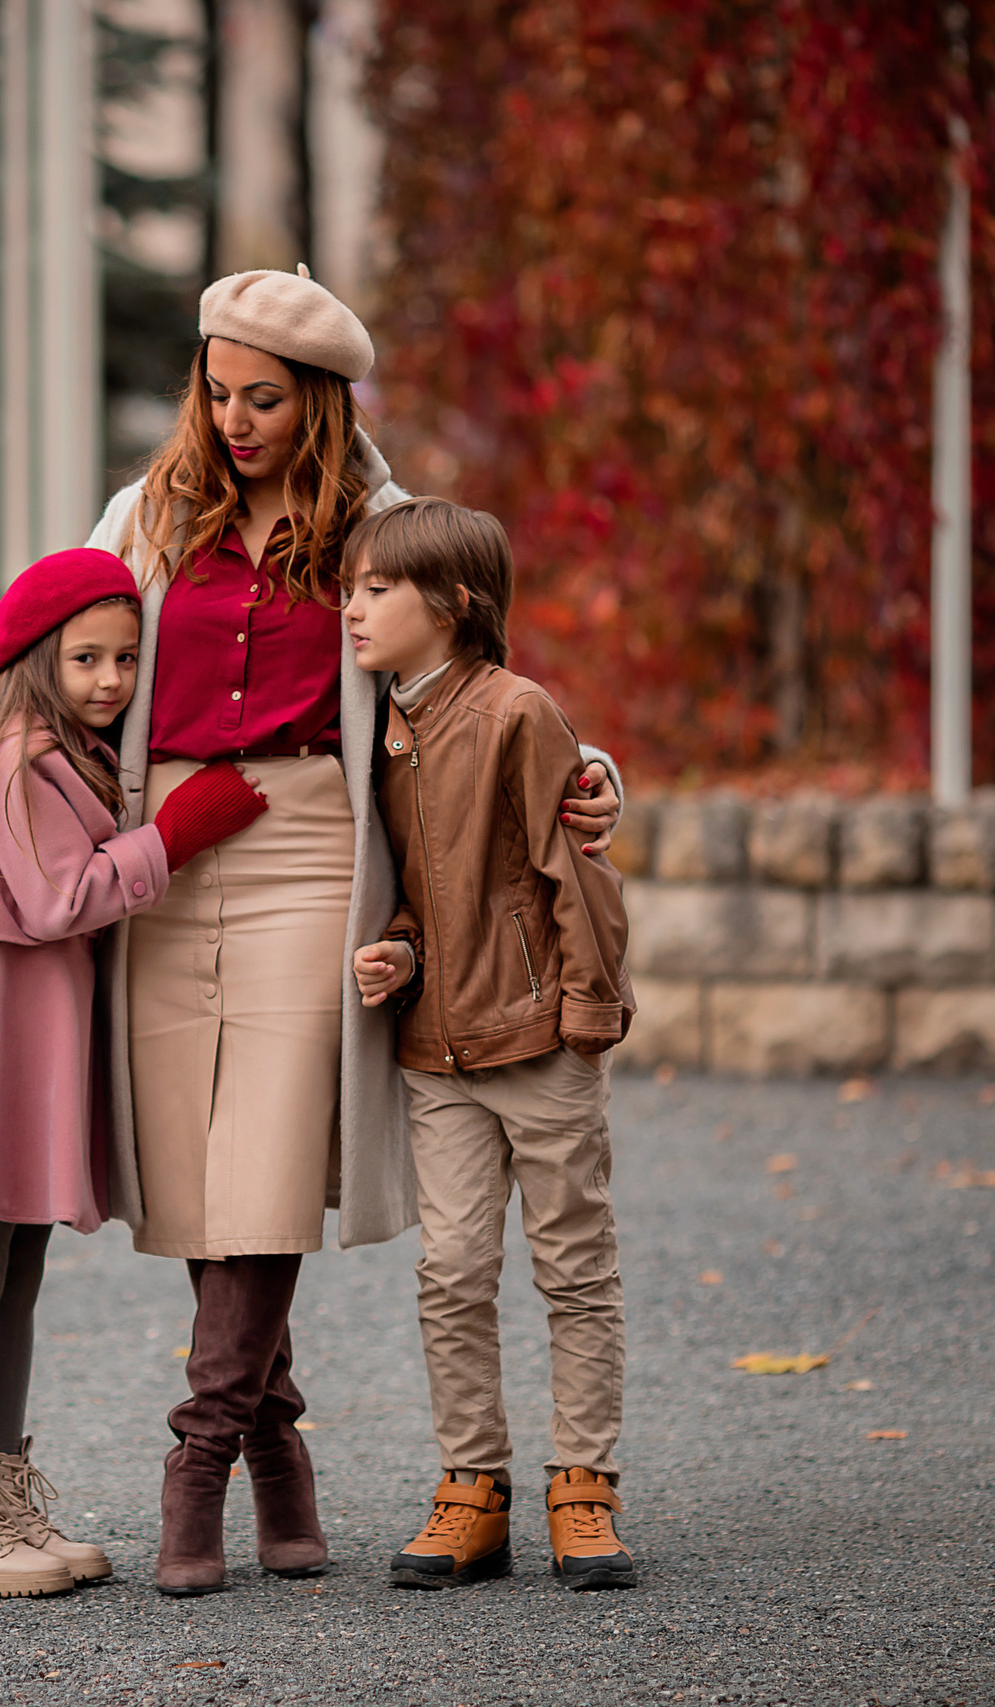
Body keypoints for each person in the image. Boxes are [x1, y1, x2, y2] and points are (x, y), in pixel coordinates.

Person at [0, 267, 626, 1595]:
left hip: (309, 848)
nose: (234, 421)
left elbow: (478, 675)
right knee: (196, 1162)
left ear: (324, 403)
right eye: (218, 392)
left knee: (274, 1151)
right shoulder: (150, 513)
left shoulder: (380, 527)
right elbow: (39, 651)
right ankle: (277, 1445)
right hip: (159, 851)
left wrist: (595, 774)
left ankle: (202, 1455)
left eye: (266, 400)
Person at [0, 547, 273, 1598]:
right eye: (86, 658)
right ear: (36, 658)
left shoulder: (68, 747)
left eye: (127, 658)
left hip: (32, 1029)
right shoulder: (14, 751)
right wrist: (172, 837)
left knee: (17, 1276)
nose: (111, 679)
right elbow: (54, 901)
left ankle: (1, 1496)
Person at [345, 497, 638, 1592]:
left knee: (574, 1266)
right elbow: (422, 890)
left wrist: (589, 1015)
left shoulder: (518, 712)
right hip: (438, 1053)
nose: (353, 608)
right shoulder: (380, 728)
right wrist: (400, 952)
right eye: (351, 588)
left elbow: (574, 875)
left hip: (541, 1041)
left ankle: (583, 1488)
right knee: (452, 1271)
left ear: (453, 605)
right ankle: (473, 1489)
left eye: (377, 589)